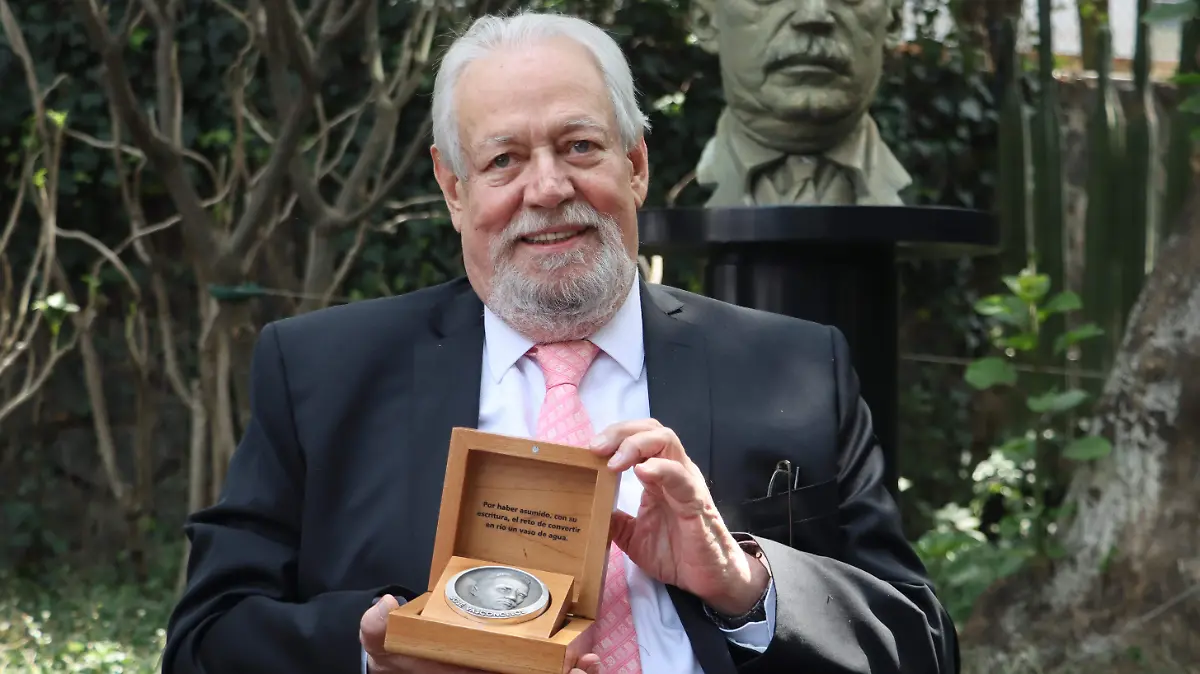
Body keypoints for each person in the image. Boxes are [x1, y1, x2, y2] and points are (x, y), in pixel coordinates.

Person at [162, 10, 957, 674]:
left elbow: (924, 644)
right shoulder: (322, 375)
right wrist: (375, 653)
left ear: (635, 164)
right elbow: (205, 638)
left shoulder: (794, 367)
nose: (547, 189)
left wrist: (744, 584)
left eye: (580, 147)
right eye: (504, 159)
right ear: (454, 188)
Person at [689, 0, 912, 206]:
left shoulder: (929, 186)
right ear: (705, 20)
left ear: (894, 20)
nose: (813, 15)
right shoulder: (676, 193)